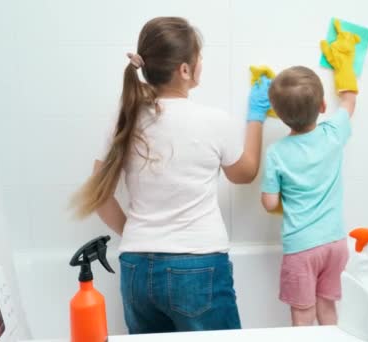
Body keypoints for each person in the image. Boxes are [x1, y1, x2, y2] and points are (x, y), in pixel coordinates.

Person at [71, 17, 272, 334]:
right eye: (199, 57)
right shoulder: (213, 121)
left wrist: (139, 232)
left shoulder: (124, 118)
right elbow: (244, 174)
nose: (201, 63)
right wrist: (256, 119)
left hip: (136, 267)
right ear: (184, 69)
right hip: (197, 265)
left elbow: (100, 194)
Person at [260, 19, 359, 326]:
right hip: (335, 244)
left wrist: (281, 200)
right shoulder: (333, 133)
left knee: (303, 314)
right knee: (327, 308)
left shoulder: (276, 153)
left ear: (277, 114)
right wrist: (344, 63)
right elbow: (350, 99)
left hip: (302, 247)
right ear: (322, 105)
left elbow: (269, 203)